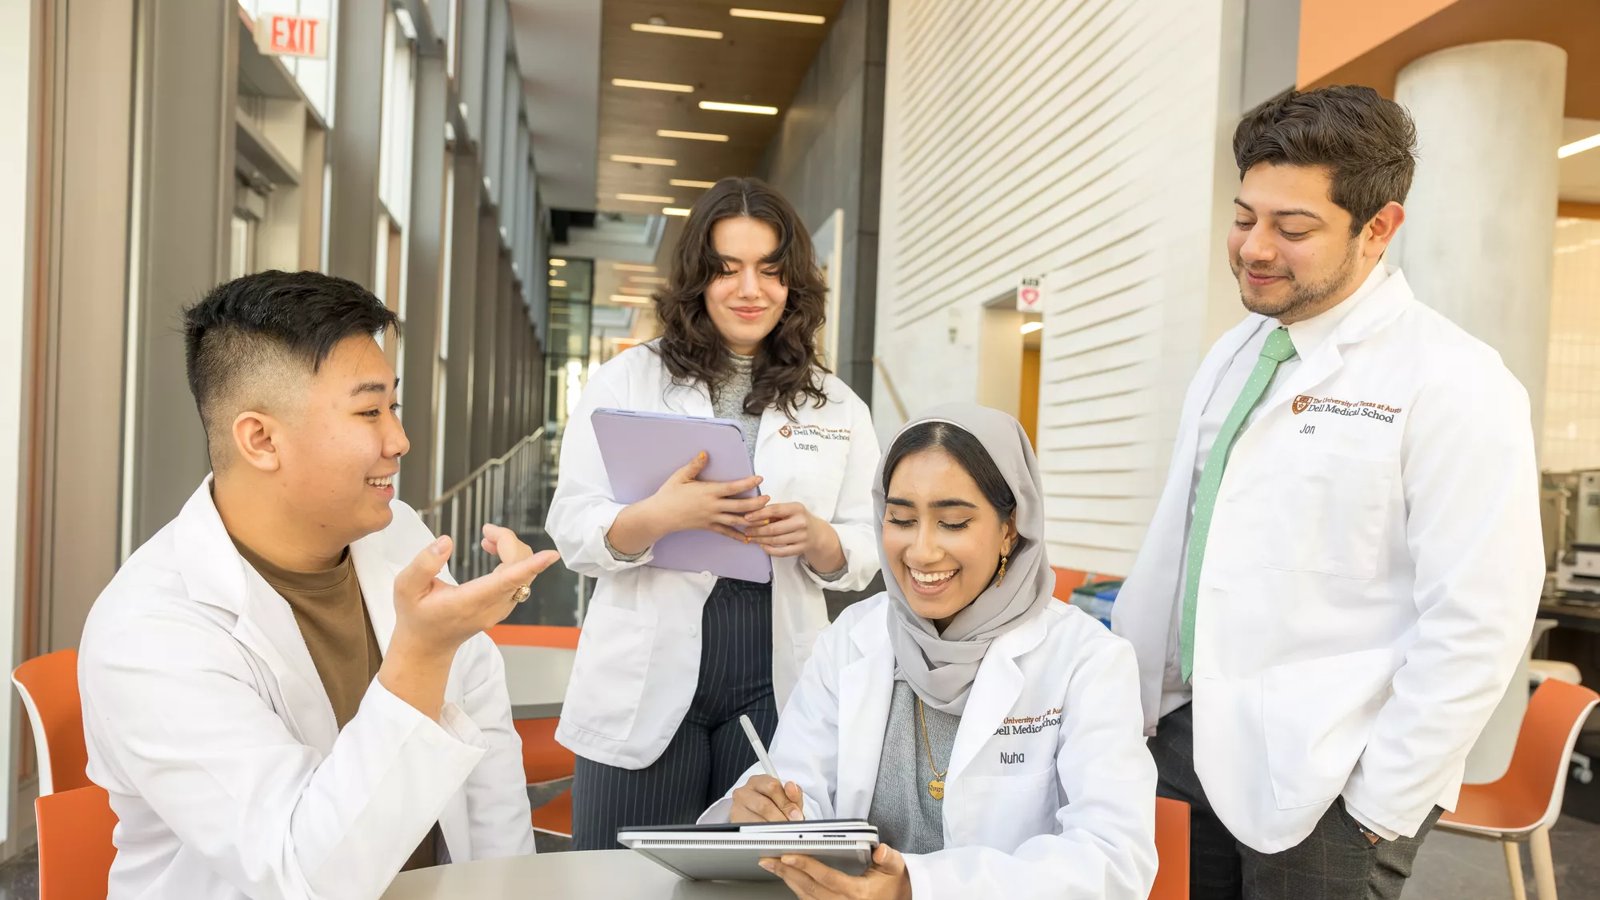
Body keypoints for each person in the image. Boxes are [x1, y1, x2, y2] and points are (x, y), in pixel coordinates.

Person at [1111, 86, 1544, 899]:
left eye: (1294, 228)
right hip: (1181, 742)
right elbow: (1187, 540)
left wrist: (1379, 804)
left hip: (1328, 784)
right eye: (1244, 218)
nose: (1254, 248)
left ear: (1378, 227)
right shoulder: (1237, 354)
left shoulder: (1454, 380)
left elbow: (1480, 618)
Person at [79, 271, 559, 899]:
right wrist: (422, 657)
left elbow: (486, 752)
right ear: (261, 439)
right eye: (368, 411)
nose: (400, 440)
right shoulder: (149, 634)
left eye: (393, 407)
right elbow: (305, 877)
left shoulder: (396, 534)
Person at [546, 176, 881, 850]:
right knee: (618, 879)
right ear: (698, 277)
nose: (750, 289)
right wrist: (661, 515)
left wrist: (818, 538)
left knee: (754, 879)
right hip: (645, 669)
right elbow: (573, 526)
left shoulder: (837, 404)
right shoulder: (629, 380)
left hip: (773, 674)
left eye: (770, 270)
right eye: (728, 268)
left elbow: (868, 546)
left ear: (794, 283)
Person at [706, 404, 1158, 900]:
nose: (921, 551)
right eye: (901, 518)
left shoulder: (1088, 660)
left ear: (1010, 527)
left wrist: (916, 887)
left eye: (954, 523)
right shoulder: (852, 639)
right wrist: (767, 812)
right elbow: (800, 790)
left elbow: (1114, 860)